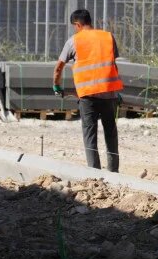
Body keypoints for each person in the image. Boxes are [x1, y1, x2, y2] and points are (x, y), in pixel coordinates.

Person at [53, 9, 124, 172]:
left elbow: (58, 68)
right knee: (111, 133)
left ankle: (94, 172)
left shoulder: (73, 41)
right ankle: (114, 171)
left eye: (74, 27)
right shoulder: (108, 37)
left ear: (77, 24)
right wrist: (116, 91)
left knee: (90, 134)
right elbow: (112, 65)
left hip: (87, 95)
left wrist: (57, 86)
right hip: (109, 94)